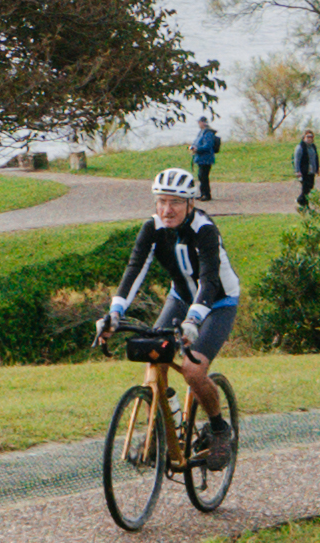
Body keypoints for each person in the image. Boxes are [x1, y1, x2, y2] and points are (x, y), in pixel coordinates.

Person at [101, 179, 241, 423]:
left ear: (190, 203)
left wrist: (194, 319)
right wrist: (114, 314)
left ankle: (219, 428)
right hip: (180, 298)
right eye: (162, 202)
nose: (167, 210)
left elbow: (209, 282)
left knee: (192, 370)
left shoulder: (204, 230)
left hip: (219, 302)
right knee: (154, 361)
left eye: (175, 202)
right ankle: (162, 432)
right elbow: (134, 271)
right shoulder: (152, 229)